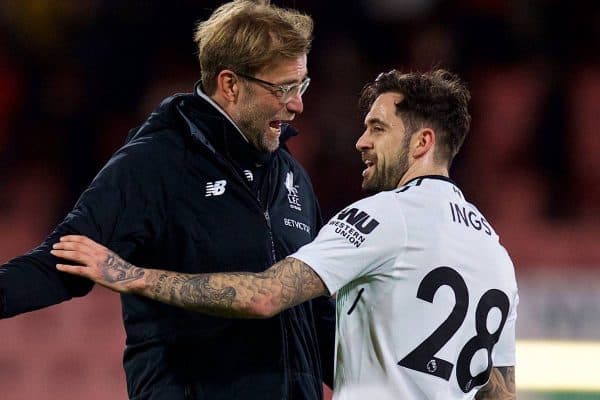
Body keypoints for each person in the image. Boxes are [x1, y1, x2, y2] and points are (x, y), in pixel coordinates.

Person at [52, 69, 518, 399]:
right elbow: (497, 392)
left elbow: (264, 294)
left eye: (378, 128)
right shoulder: (494, 252)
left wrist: (132, 275)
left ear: (422, 143)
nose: (361, 141)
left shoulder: (384, 216)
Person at [0, 1, 336, 399]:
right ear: (230, 84)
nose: (297, 104)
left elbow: (317, 317)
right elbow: (60, 264)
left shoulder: (291, 177)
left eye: (302, 86)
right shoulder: (155, 163)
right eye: (283, 88)